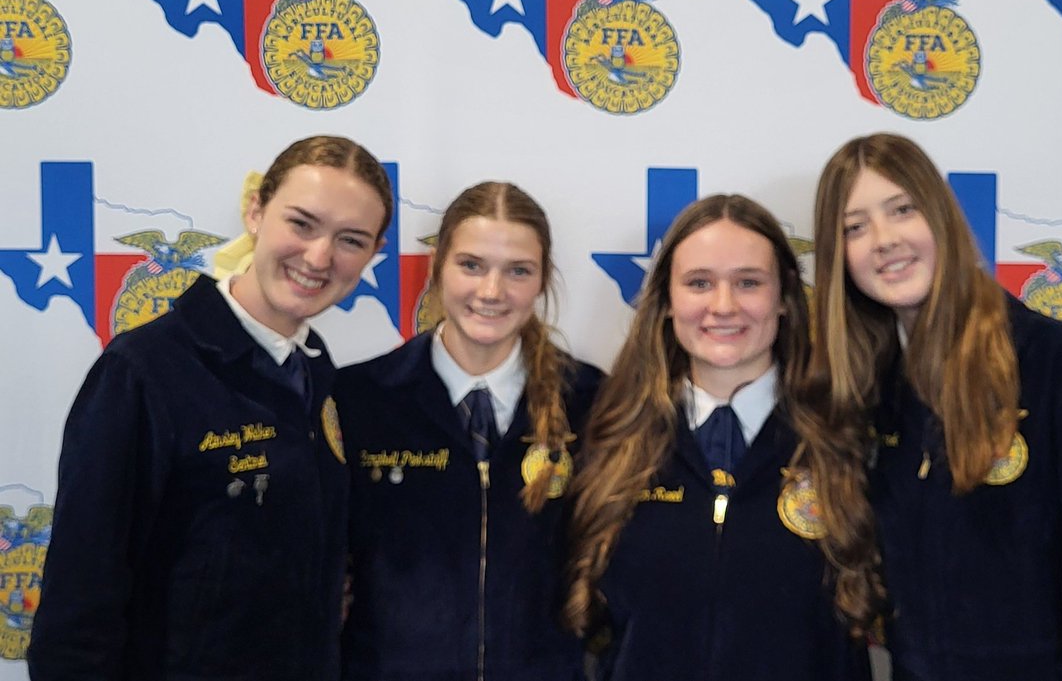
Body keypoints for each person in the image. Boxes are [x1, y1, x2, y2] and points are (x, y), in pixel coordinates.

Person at [28, 135, 393, 680]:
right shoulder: (145, 371)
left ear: (371, 255)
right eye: (301, 224)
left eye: (350, 239)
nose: (319, 257)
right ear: (255, 212)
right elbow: (78, 605)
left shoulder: (316, 370)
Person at [809, 132, 1062, 681]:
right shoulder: (867, 393)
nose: (883, 239)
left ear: (942, 217)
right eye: (854, 227)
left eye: (902, 210)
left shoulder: (1059, 364)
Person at [564, 194, 881, 680]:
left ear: (785, 299)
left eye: (749, 282)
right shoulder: (611, 439)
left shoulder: (849, 436)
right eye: (699, 283)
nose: (724, 306)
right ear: (667, 302)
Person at [337, 181, 603, 681]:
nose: (491, 292)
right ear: (437, 267)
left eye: (517, 271)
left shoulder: (592, 401)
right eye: (472, 265)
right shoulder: (361, 398)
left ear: (543, 279)